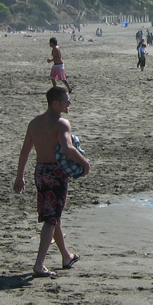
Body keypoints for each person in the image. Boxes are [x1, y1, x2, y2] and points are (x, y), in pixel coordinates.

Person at [13, 87, 89, 278]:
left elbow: (25, 152)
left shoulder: (35, 123)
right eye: (66, 101)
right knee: (51, 219)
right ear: (56, 104)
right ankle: (39, 264)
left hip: (40, 171)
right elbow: (67, 148)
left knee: (54, 216)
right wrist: (85, 163)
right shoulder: (61, 124)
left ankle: (66, 256)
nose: (69, 103)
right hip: (55, 173)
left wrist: (20, 176)